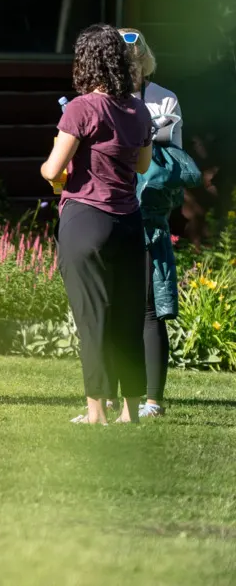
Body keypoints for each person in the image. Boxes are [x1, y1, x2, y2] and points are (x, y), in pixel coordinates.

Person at [40, 24, 152, 425]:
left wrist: (52, 169)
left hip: (87, 219)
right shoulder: (138, 109)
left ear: (85, 61)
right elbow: (142, 164)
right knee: (127, 318)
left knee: (93, 319)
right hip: (129, 222)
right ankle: (130, 412)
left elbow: (53, 169)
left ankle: (95, 414)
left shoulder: (80, 108)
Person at [119, 28, 184, 418]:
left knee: (148, 307)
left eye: (136, 62)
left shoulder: (165, 98)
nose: (131, 70)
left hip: (148, 213)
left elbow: (175, 156)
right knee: (113, 306)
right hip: (108, 207)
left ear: (145, 62)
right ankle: (110, 397)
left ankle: (153, 401)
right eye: (124, 63)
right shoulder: (100, 97)